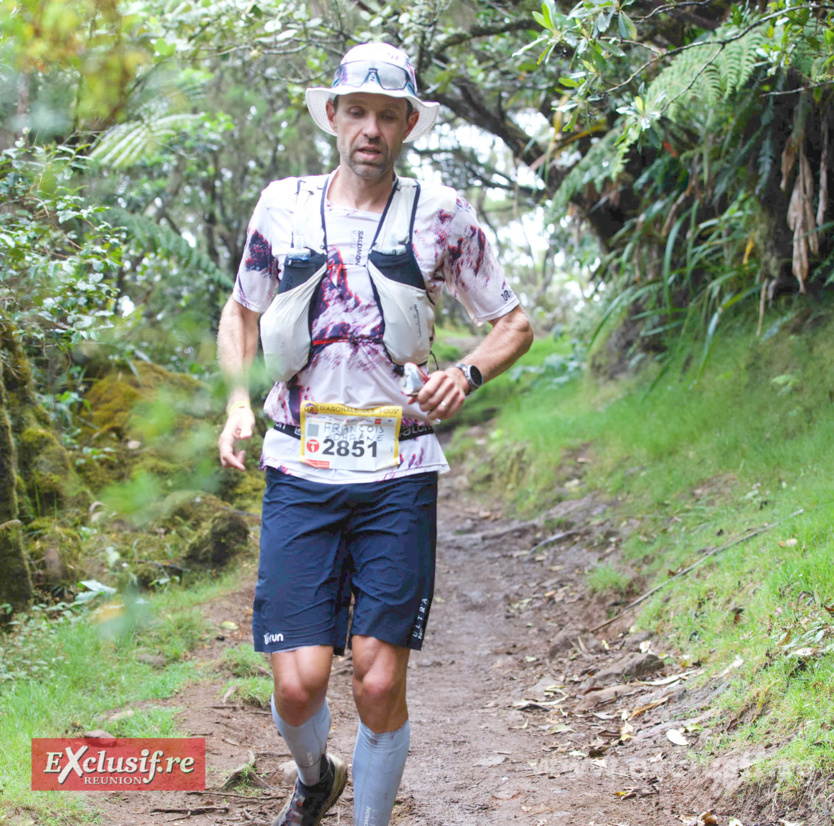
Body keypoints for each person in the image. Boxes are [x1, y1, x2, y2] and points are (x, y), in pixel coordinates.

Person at [216, 41, 533, 826]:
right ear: (333, 116)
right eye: (356, 111)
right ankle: (316, 777)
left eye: (387, 116)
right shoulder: (283, 205)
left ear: (407, 127)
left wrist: (468, 372)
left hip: (400, 468)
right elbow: (243, 310)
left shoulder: (442, 214)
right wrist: (237, 401)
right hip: (299, 462)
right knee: (297, 684)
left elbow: (514, 321)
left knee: (379, 681)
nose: (370, 129)